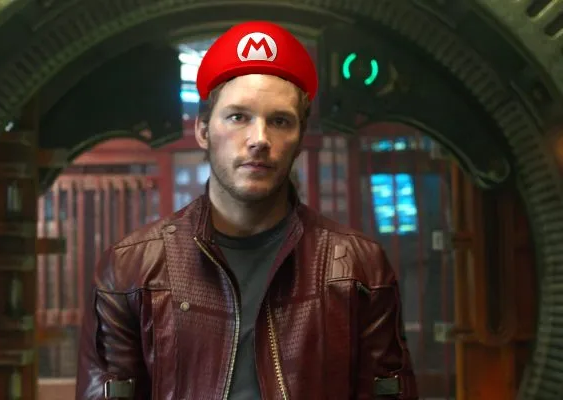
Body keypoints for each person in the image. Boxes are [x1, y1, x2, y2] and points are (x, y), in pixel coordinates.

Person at [75, 20, 418, 400]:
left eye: (280, 121)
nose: (259, 139)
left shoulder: (359, 267)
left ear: (299, 138)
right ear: (203, 130)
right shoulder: (131, 269)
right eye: (238, 117)